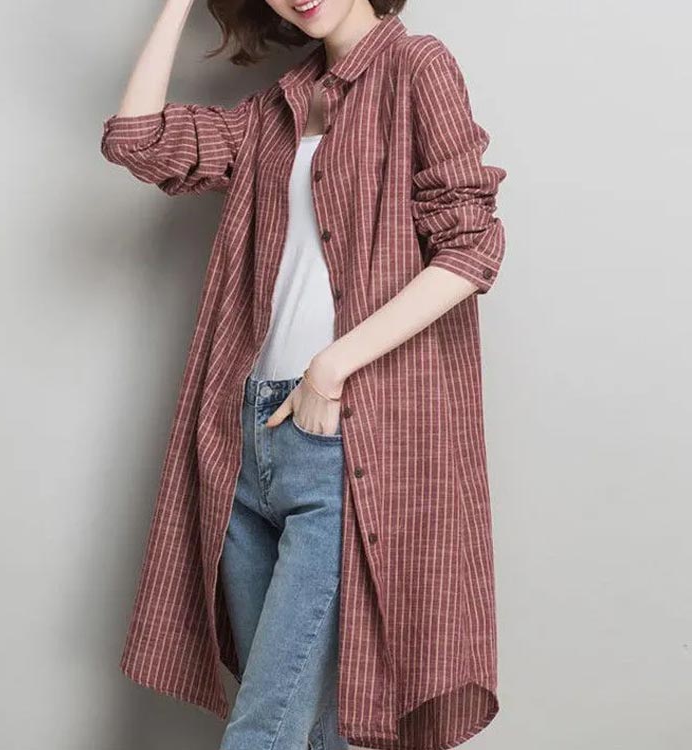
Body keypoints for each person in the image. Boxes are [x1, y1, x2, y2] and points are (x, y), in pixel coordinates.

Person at [100, 1, 507, 749]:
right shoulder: (274, 109)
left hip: (343, 437)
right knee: (315, 730)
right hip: (243, 434)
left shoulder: (417, 68)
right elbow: (138, 140)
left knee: (266, 728)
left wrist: (332, 366)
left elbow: (471, 247)